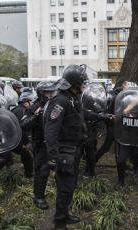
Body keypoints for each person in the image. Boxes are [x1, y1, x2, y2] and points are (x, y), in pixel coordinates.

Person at [44, 64, 88, 230]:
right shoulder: (60, 100)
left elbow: (79, 117)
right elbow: (51, 130)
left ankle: (64, 215)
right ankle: (59, 223)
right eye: (82, 81)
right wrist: (53, 158)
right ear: (75, 83)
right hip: (64, 153)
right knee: (65, 189)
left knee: (69, 187)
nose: (84, 84)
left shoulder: (73, 98)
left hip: (74, 151)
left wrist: (103, 116)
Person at [21, 81, 57, 210]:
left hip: (55, 143)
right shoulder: (34, 107)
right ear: (41, 93)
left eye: (52, 92)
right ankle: (38, 196)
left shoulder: (55, 105)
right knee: (42, 170)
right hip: (41, 143)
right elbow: (23, 125)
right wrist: (36, 116)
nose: (51, 94)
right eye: (48, 92)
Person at [95, 78, 128, 164]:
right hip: (114, 125)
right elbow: (118, 111)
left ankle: (121, 164)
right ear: (123, 85)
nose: (128, 87)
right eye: (127, 85)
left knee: (119, 147)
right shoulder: (119, 96)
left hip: (113, 124)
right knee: (108, 146)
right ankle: (92, 162)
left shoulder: (115, 94)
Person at [11, 92, 34, 178]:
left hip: (13, 138)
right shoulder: (22, 111)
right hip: (15, 138)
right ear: (25, 102)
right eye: (31, 102)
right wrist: (26, 142)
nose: (32, 104)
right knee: (27, 154)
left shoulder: (16, 109)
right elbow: (22, 128)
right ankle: (29, 174)